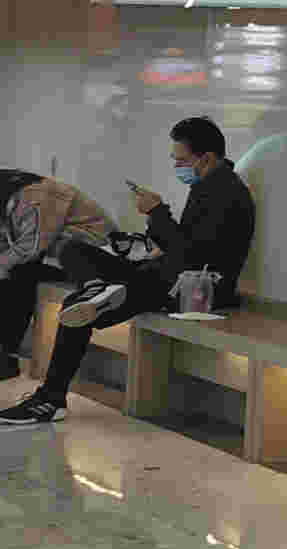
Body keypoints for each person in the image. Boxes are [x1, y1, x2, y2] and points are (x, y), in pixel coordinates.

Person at [0, 118, 255, 428]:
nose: (177, 166)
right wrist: (147, 237)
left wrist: (157, 212)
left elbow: (190, 256)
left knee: (75, 306)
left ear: (207, 158)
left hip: (190, 291)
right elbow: (182, 246)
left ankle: (50, 401)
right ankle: (99, 287)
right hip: (167, 275)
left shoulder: (226, 193)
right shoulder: (207, 186)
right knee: (73, 248)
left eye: (181, 160)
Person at [0, 171, 116, 381]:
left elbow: (30, 247)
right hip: (55, 256)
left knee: (19, 273)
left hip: (92, 259)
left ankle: (5, 356)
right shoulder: (9, 196)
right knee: (16, 272)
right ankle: (5, 354)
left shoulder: (33, 197)